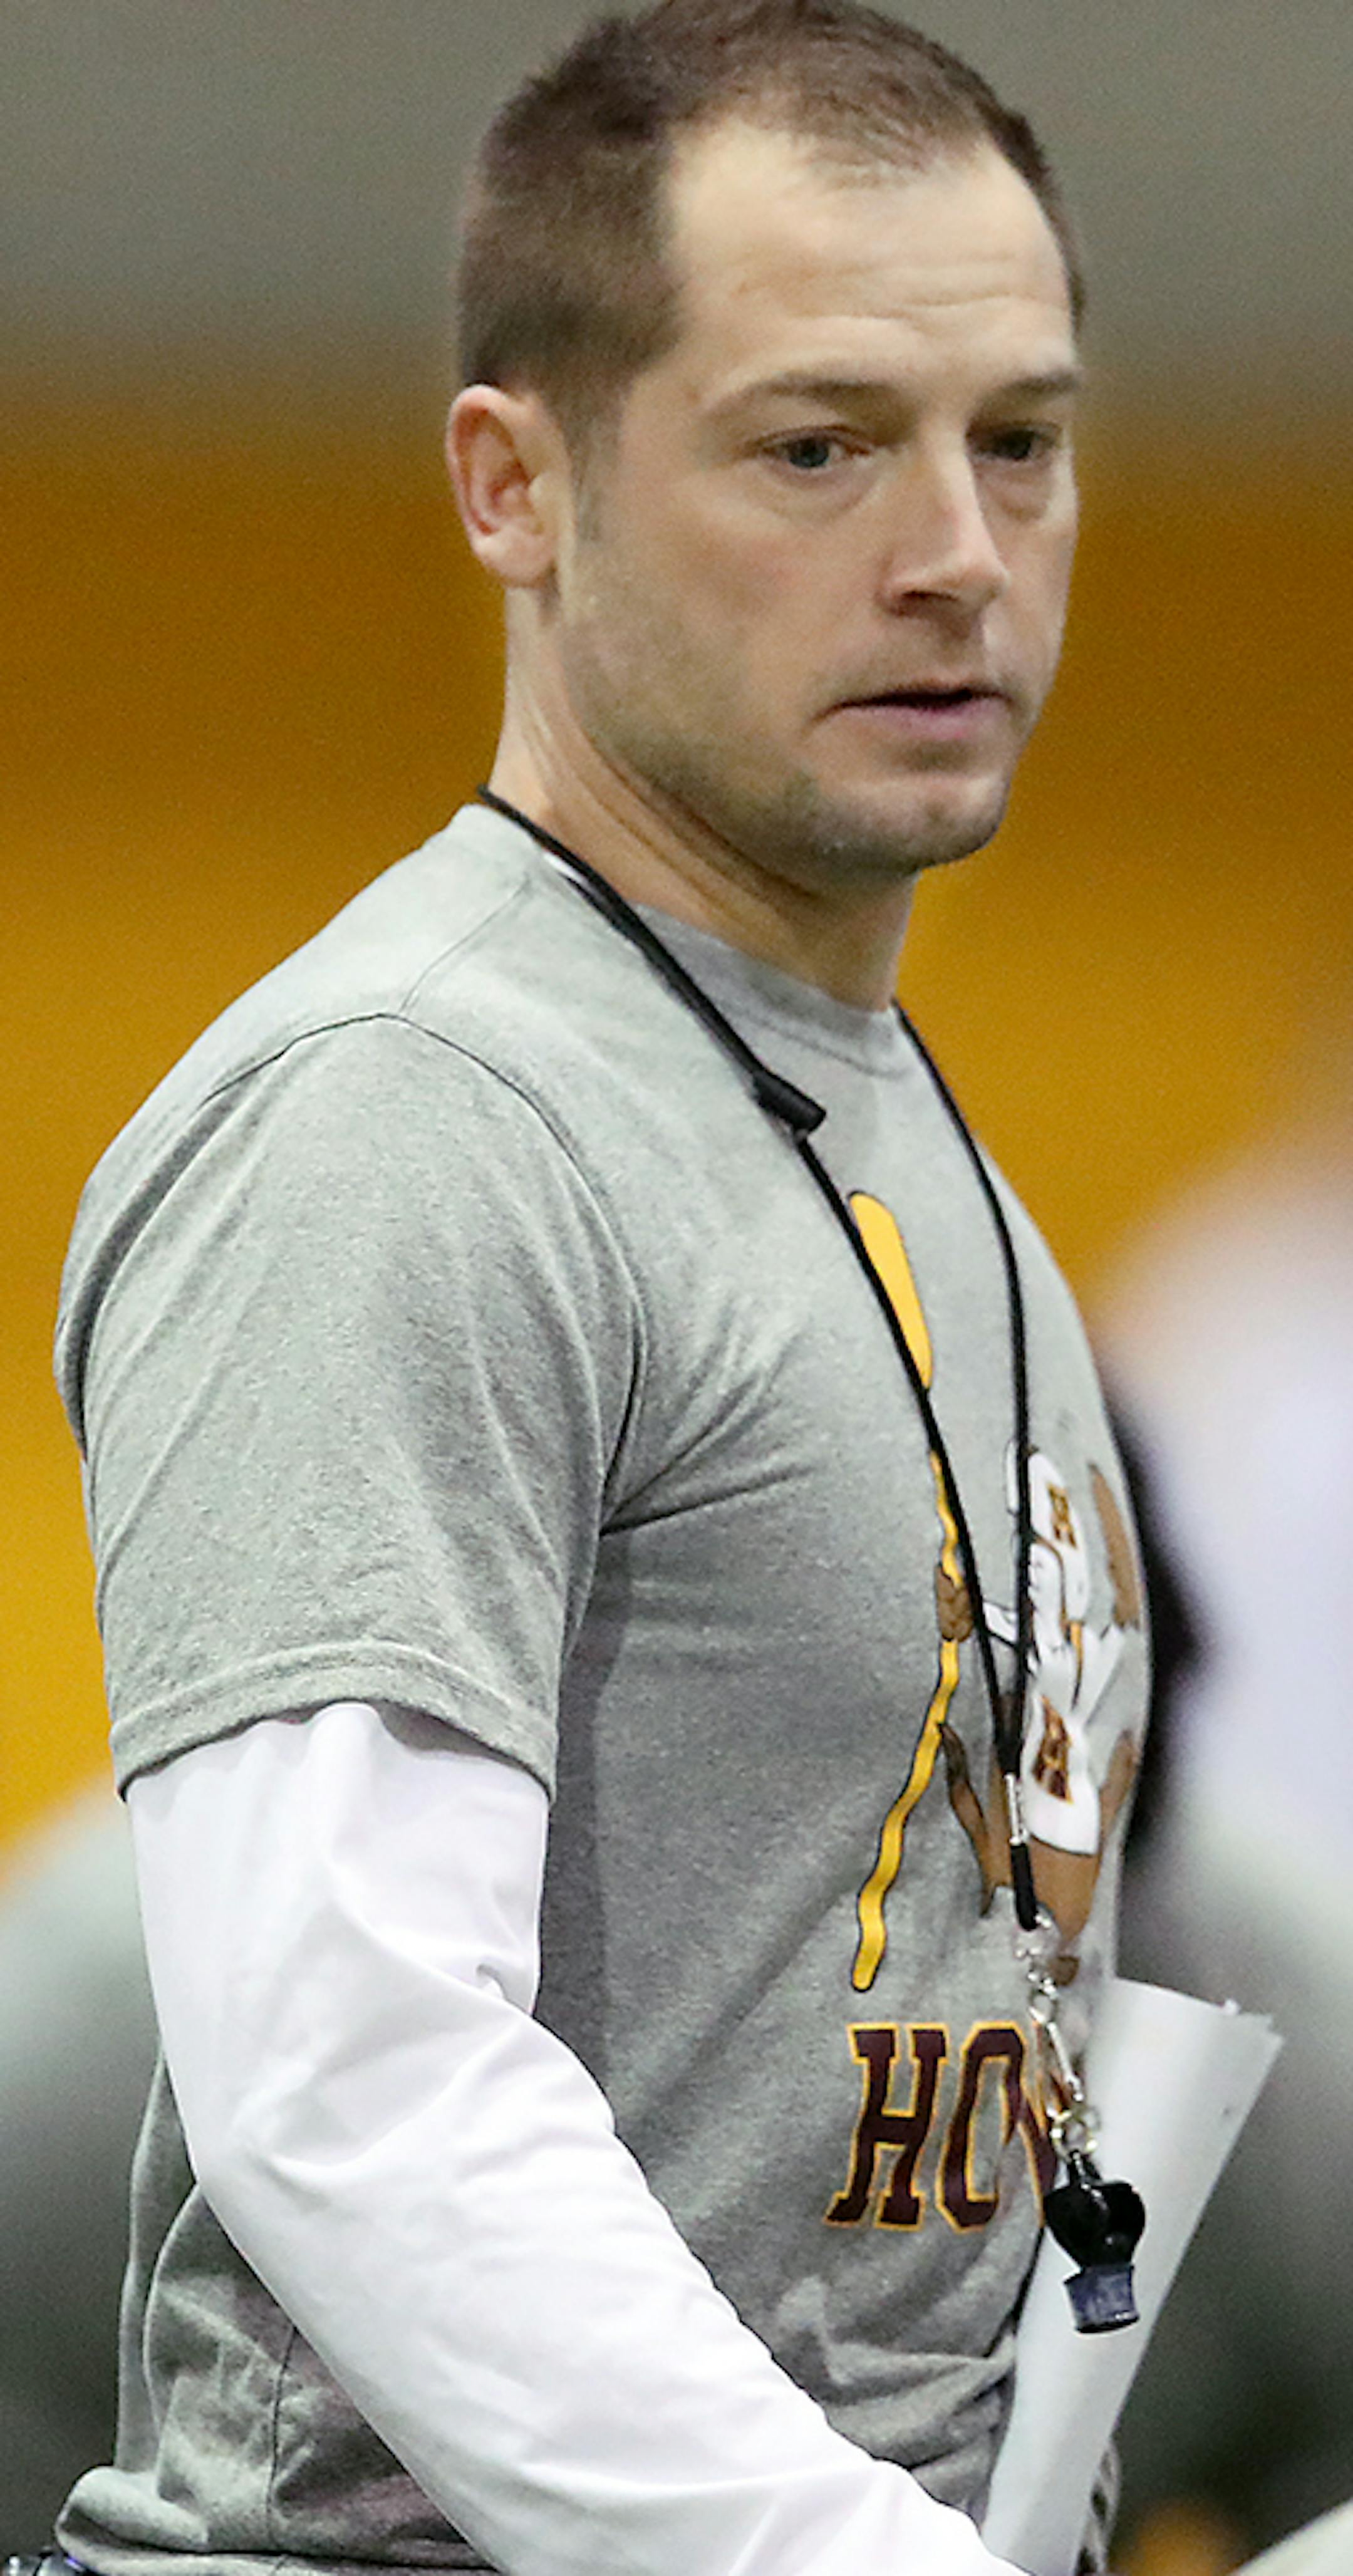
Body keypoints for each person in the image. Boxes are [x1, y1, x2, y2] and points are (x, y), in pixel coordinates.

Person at [42, 7, 1149, 2575]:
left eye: (1023, 437)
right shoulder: (409, 1112)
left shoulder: (905, 1131)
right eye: (817, 443)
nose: (958, 550)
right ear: (513, 486)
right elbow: (354, 2072)